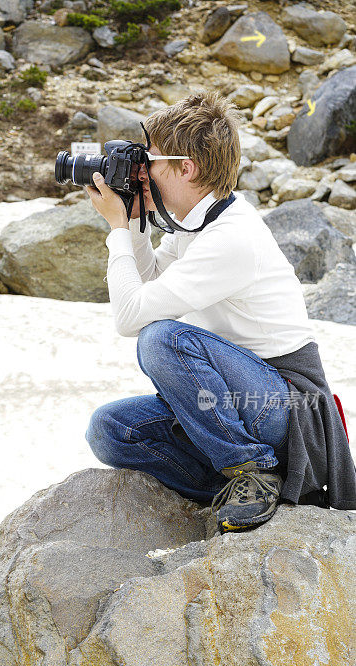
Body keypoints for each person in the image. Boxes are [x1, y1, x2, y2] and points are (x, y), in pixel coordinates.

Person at [84, 89, 356, 534]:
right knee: (109, 428)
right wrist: (133, 222)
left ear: (185, 167)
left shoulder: (231, 237)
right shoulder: (196, 221)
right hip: (237, 398)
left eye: (149, 161)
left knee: (162, 338)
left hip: (287, 403)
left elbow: (131, 318)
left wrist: (116, 229)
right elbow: (150, 285)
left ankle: (252, 469)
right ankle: (249, 485)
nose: (141, 172)